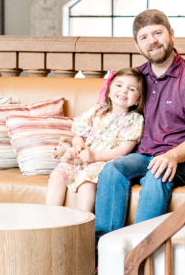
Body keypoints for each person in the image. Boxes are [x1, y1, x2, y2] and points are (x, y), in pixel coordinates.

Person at [93, 10, 185, 243]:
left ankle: (140, 256)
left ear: (171, 34)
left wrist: (171, 156)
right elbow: (110, 117)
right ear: (138, 46)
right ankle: (106, 252)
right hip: (144, 155)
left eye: (158, 33)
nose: (153, 41)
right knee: (112, 169)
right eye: (144, 37)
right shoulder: (136, 79)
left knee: (156, 174)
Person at [44, 68, 145, 213]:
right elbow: (79, 134)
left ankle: (83, 221)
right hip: (81, 159)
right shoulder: (97, 111)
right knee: (58, 173)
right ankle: (51, 218)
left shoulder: (134, 119)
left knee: (87, 180)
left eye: (131, 89)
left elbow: (124, 150)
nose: (124, 91)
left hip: (103, 163)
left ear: (139, 99)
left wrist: (95, 157)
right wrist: (78, 145)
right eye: (119, 85)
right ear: (109, 91)